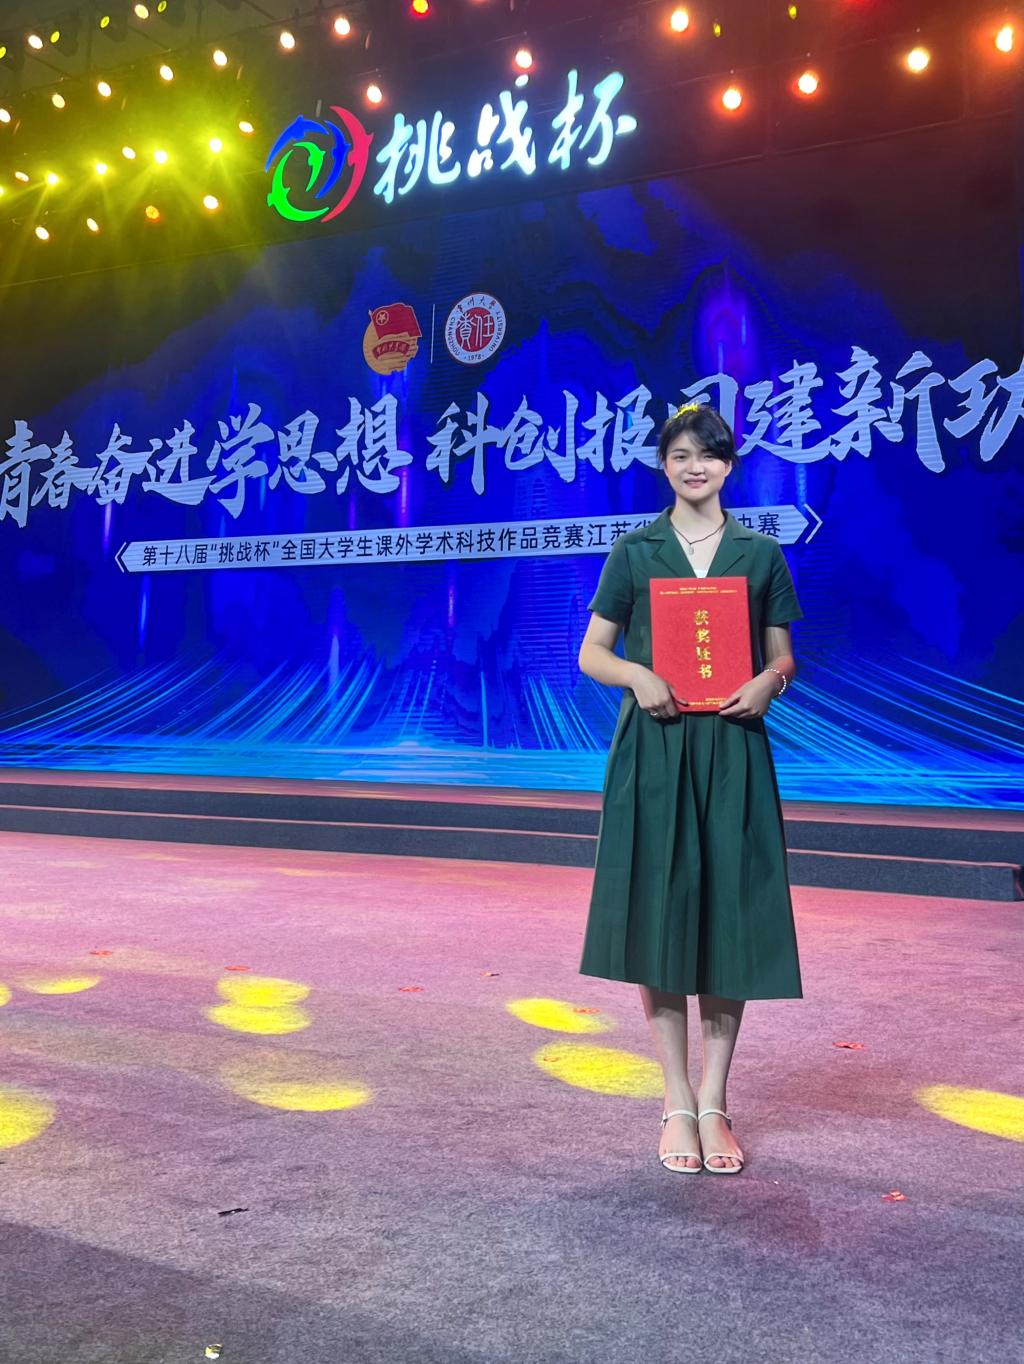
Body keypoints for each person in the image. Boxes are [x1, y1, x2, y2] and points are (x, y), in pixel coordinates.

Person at [577, 403, 803, 1175]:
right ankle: (675, 1098)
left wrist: (769, 683)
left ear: (728, 465)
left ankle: (714, 1100)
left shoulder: (759, 553)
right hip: (657, 747)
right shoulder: (635, 551)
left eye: (706, 456)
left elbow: (783, 656)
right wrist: (637, 674)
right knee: (660, 915)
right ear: (664, 466)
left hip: (733, 746)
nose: (693, 467)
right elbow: (592, 653)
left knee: (729, 915)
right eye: (679, 456)